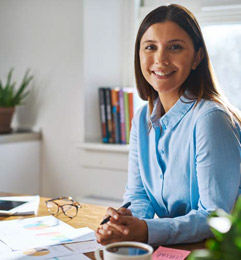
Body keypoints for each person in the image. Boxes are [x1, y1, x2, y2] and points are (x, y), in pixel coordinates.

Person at [95, 4, 241, 246]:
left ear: (197, 57)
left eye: (175, 47)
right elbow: (138, 196)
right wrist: (123, 225)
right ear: (139, 55)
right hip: (173, 248)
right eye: (150, 47)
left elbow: (216, 218)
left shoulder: (210, 118)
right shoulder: (142, 119)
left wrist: (146, 230)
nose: (160, 59)